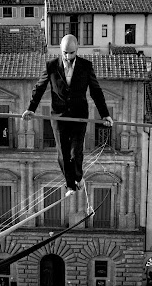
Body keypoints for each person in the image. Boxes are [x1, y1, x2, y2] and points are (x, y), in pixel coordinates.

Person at [23, 34, 113, 194]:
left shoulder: (86, 66)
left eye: (71, 53)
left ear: (77, 50)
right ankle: (70, 185)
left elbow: (96, 91)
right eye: (65, 53)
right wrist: (31, 108)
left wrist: (105, 114)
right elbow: (40, 87)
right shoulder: (51, 66)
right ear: (60, 50)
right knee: (63, 154)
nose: (68, 56)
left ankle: (78, 177)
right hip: (59, 116)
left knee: (75, 152)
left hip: (79, 115)